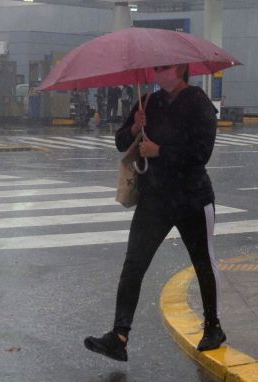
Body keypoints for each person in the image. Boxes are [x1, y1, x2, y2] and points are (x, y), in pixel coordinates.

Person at [84, 63, 225, 362]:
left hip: (192, 198)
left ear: (180, 69)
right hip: (155, 199)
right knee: (134, 263)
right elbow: (122, 141)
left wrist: (161, 151)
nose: (157, 73)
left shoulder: (199, 102)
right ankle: (119, 335)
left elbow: (202, 152)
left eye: (163, 68)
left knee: (203, 262)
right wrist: (135, 126)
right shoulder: (148, 101)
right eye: (156, 68)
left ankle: (213, 325)